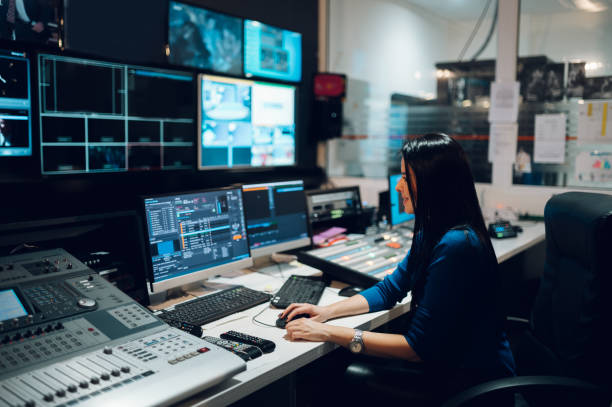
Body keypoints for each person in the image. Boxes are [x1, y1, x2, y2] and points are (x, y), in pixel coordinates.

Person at [280, 133, 516, 404]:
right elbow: (390, 289)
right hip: (447, 366)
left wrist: (330, 332)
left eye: (406, 177)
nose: (397, 187)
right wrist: (326, 312)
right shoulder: (432, 232)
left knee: (333, 375)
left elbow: (416, 349)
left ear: (432, 183)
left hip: (469, 385)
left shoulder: (457, 245)